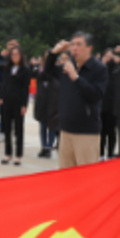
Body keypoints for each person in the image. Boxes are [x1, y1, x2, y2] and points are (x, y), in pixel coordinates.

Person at [45, 32, 108, 168]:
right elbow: (47, 72)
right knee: (66, 175)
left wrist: (76, 78)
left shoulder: (99, 69)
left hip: (86, 133)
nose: (74, 48)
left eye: (79, 45)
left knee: (86, 176)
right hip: (65, 130)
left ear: (89, 48)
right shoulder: (68, 66)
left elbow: (96, 95)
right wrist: (54, 53)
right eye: (72, 44)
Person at [0, 45, 30, 166]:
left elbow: (25, 89)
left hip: (18, 103)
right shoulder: (7, 68)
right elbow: (4, 84)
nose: (14, 56)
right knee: (7, 129)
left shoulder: (25, 70)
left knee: (18, 129)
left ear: (21, 56)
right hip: (7, 101)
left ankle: (18, 155)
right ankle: (8, 154)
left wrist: (24, 105)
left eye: (17, 54)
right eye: (12, 54)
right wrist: (1, 97)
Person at [32, 51, 55, 158]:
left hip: (52, 101)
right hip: (41, 100)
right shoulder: (38, 69)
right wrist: (33, 65)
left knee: (52, 126)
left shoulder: (55, 70)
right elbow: (32, 76)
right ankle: (44, 147)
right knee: (43, 126)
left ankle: (49, 147)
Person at [99, 48, 117, 159]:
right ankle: (100, 154)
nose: (108, 59)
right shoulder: (98, 70)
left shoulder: (115, 71)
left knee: (111, 132)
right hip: (99, 106)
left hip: (112, 107)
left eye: (110, 57)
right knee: (101, 132)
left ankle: (110, 153)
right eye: (106, 56)